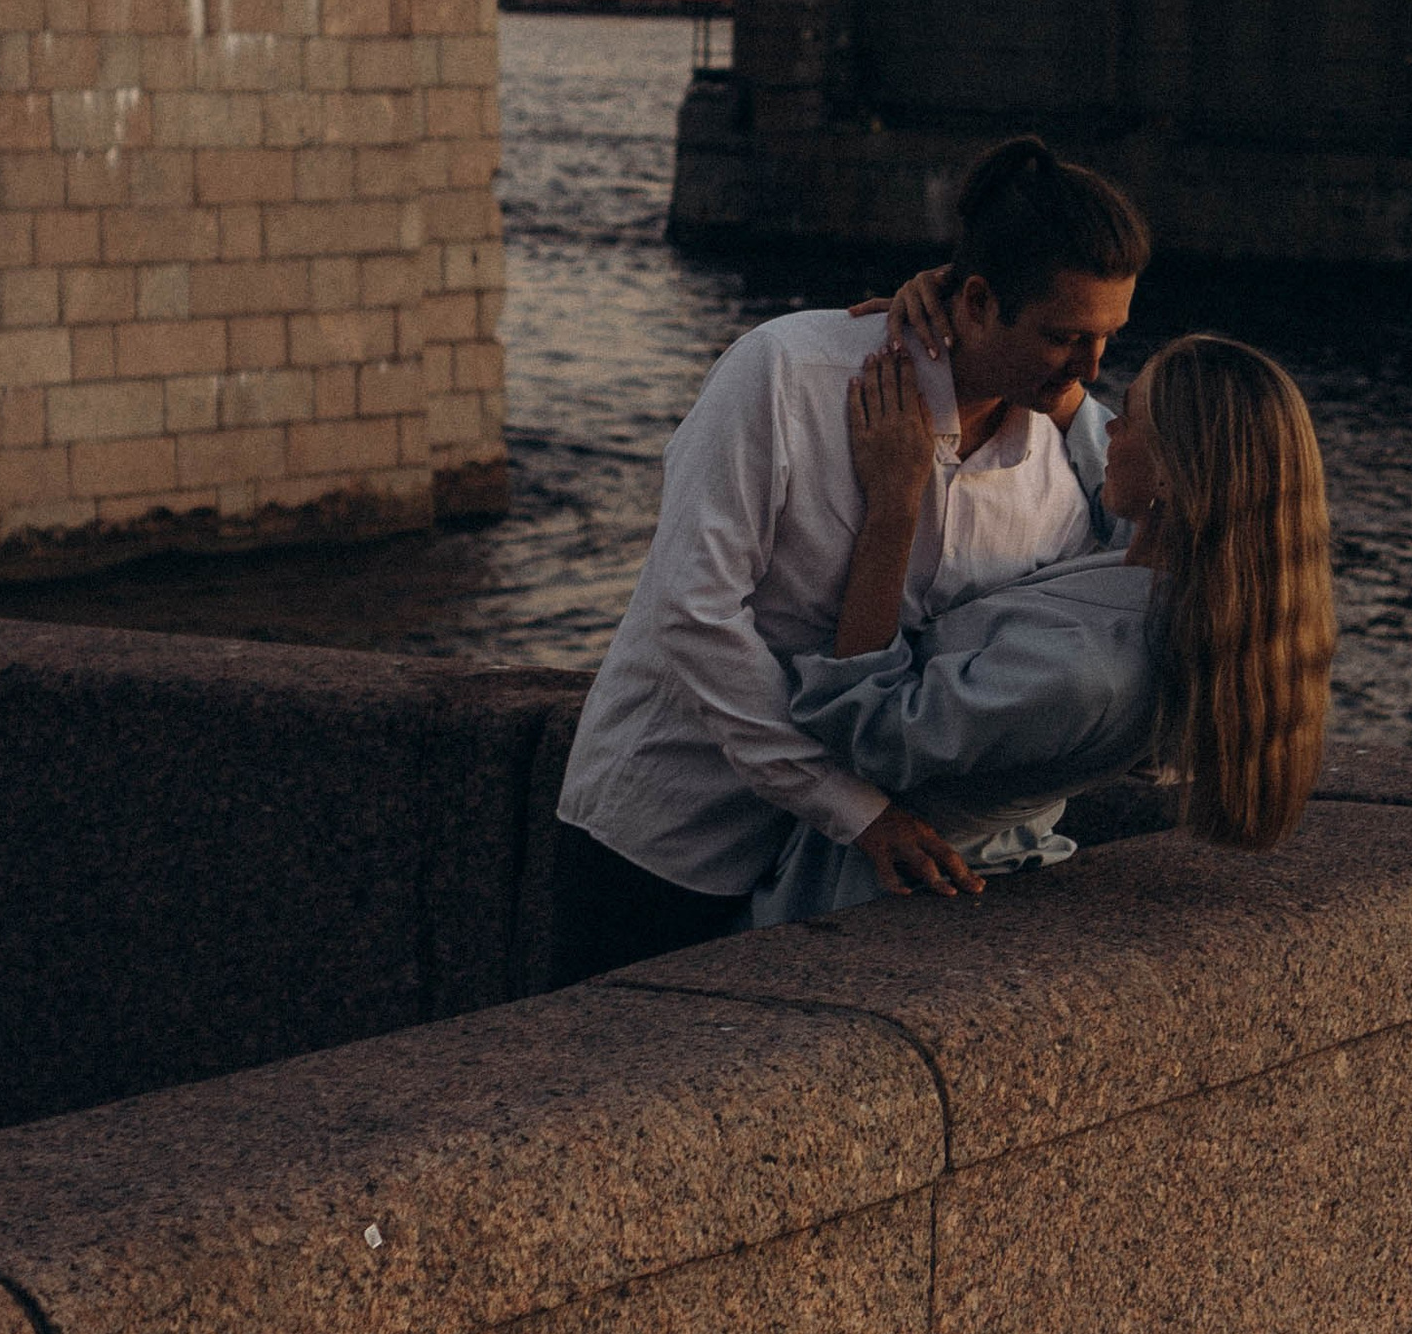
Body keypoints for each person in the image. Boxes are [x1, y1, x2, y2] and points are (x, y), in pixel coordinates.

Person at [552, 135, 1151, 977]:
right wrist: (855, 810)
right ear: (977, 301)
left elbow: (1144, 560)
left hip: (836, 882)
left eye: (1108, 337)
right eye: (1064, 338)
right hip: (674, 831)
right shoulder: (789, 375)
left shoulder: (1065, 459)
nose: (1091, 369)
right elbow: (692, 614)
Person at [749, 330, 1335, 924]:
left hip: (883, 899)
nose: (1106, 427)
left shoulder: (1088, 672)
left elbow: (868, 728)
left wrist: (896, 499)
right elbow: (1100, 467)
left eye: (1128, 418)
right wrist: (980, 331)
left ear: (1169, 479)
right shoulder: (1193, 595)